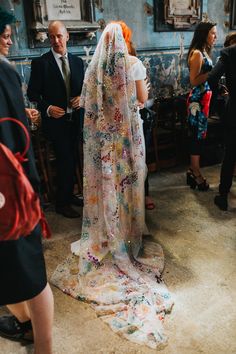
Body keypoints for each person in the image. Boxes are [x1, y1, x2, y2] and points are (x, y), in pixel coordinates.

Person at [53, 22, 172, 349]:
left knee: (106, 193)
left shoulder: (94, 70)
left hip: (103, 146)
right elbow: (142, 100)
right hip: (127, 143)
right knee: (128, 190)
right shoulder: (133, 65)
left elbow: (88, 109)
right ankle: (128, 238)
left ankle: (106, 236)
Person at [0, 7, 53, 353]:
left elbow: (17, 140)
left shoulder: (3, 72)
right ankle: (23, 323)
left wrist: (32, 192)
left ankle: (44, 345)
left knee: (31, 275)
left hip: (11, 192)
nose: (9, 41)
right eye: (4, 36)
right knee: (14, 271)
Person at [27, 20, 84, 218]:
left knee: (75, 158)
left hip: (76, 120)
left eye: (59, 36)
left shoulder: (78, 62)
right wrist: (48, 108)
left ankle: (70, 194)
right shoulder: (41, 63)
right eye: (52, 37)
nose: (56, 40)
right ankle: (62, 203)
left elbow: (84, 90)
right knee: (65, 160)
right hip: (55, 123)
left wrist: (82, 99)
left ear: (67, 36)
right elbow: (32, 94)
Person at [117, 20, 155, 210]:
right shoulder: (133, 62)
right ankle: (134, 210)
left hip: (113, 126)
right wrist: (142, 95)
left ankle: (124, 207)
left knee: (119, 167)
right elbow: (142, 95)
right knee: (135, 163)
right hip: (130, 123)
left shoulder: (99, 67)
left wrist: (140, 99)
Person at [186, 21, 217, 191]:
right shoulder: (197, 54)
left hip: (204, 100)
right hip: (197, 101)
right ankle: (195, 172)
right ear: (204, 34)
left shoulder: (204, 51)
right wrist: (211, 73)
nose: (215, 36)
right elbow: (193, 81)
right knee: (196, 136)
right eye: (212, 33)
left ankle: (192, 171)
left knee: (200, 135)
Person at [207, 32, 236, 210]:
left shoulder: (229, 52)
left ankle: (223, 196)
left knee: (230, 154)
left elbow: (211, 78)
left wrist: (224, 96)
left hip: (234, 111)